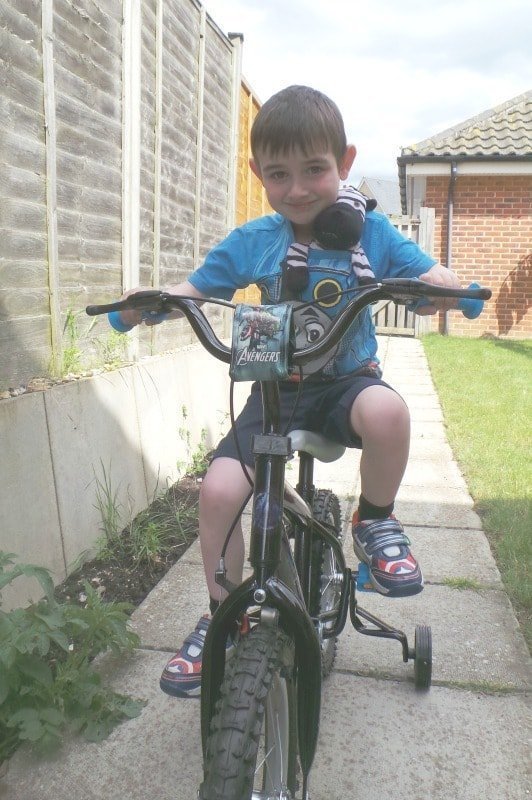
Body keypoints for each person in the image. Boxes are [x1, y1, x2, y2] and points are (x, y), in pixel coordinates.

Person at [120, 85, 461, 698]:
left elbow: (422, 271)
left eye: (315, 170)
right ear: (259, 175)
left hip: (346, 384)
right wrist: (152, 305)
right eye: (279, 174)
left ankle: (375, 521)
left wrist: (450, 288)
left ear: (345, 163)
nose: (299, 188)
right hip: (275, 391)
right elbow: (199, 287)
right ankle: (225, 615)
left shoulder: (373, 234)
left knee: (388, 413)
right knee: (220, 490)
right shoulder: (256, 241)